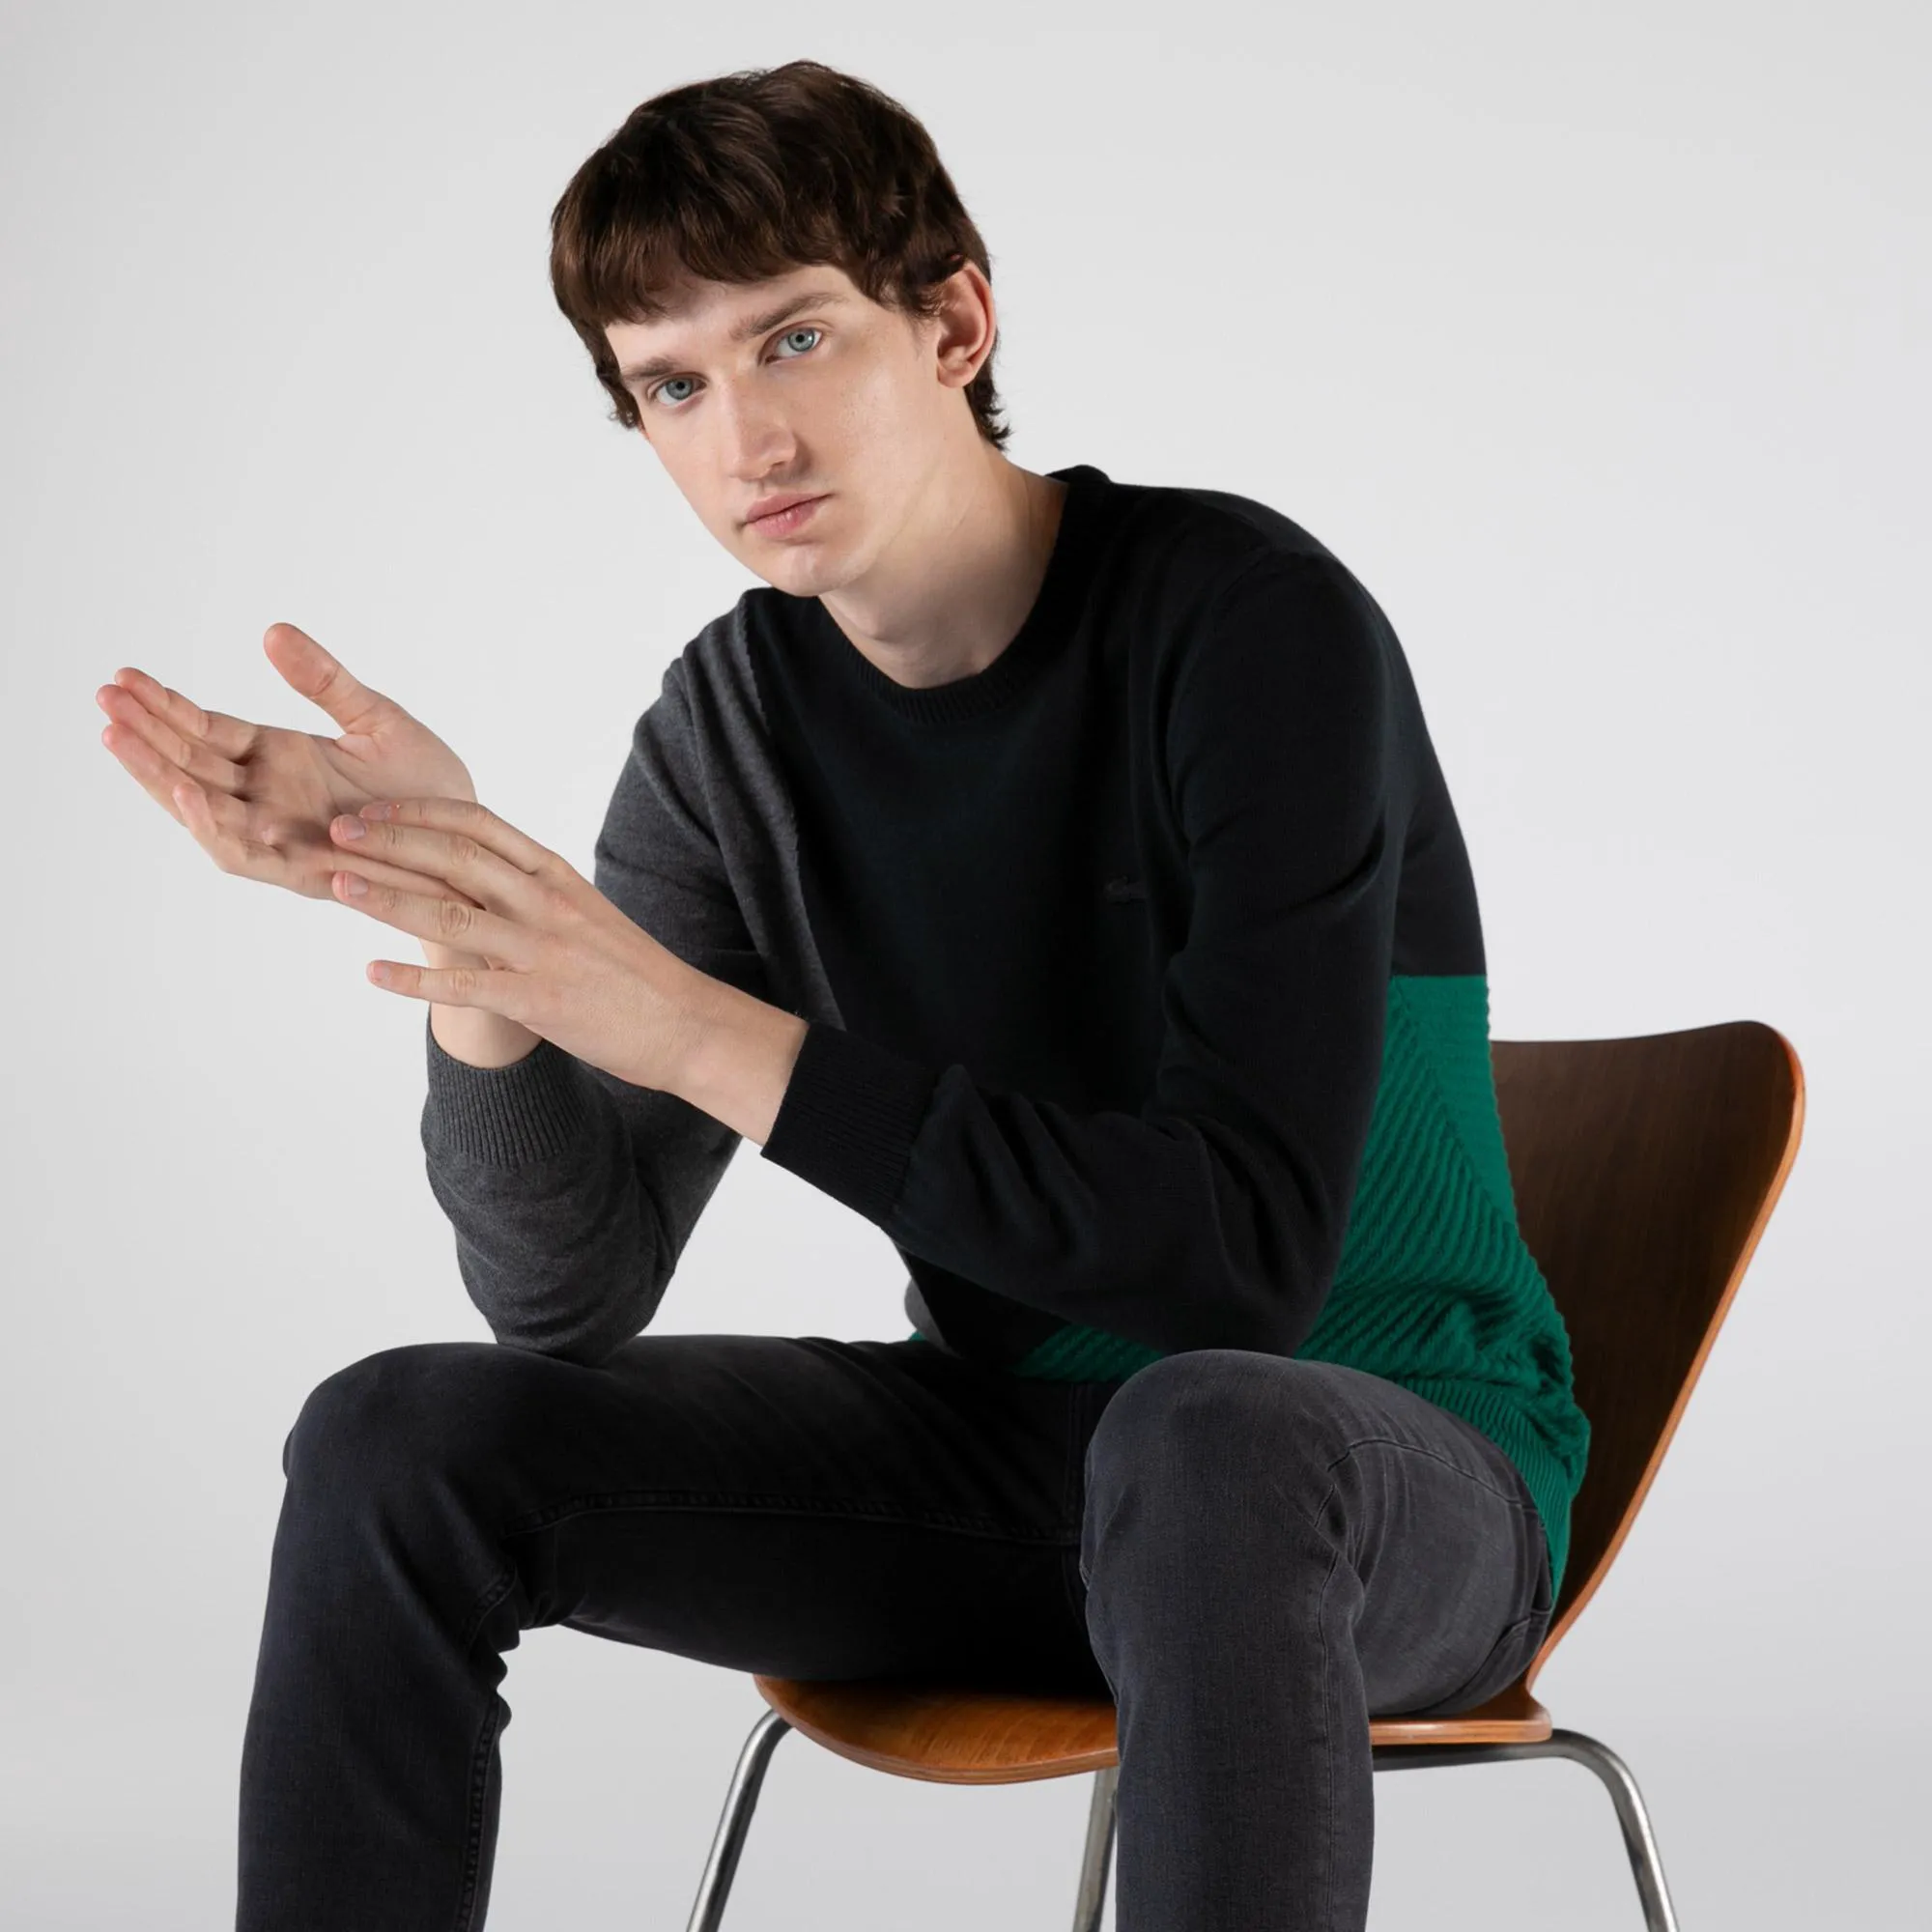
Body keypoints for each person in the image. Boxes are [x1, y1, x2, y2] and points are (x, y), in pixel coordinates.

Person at [97, 57, 1589, 1932]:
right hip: (1018, 1482)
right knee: (398, 1437)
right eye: (673, 385)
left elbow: (1238, 1276)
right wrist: (466, 931)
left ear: (953, 323)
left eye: (794, 339)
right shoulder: (732, 735)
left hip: (1380, 1472)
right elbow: (564, 1297)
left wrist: (694, 1027)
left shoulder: (1246, 625)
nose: (747, 438)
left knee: (1208, 1427)